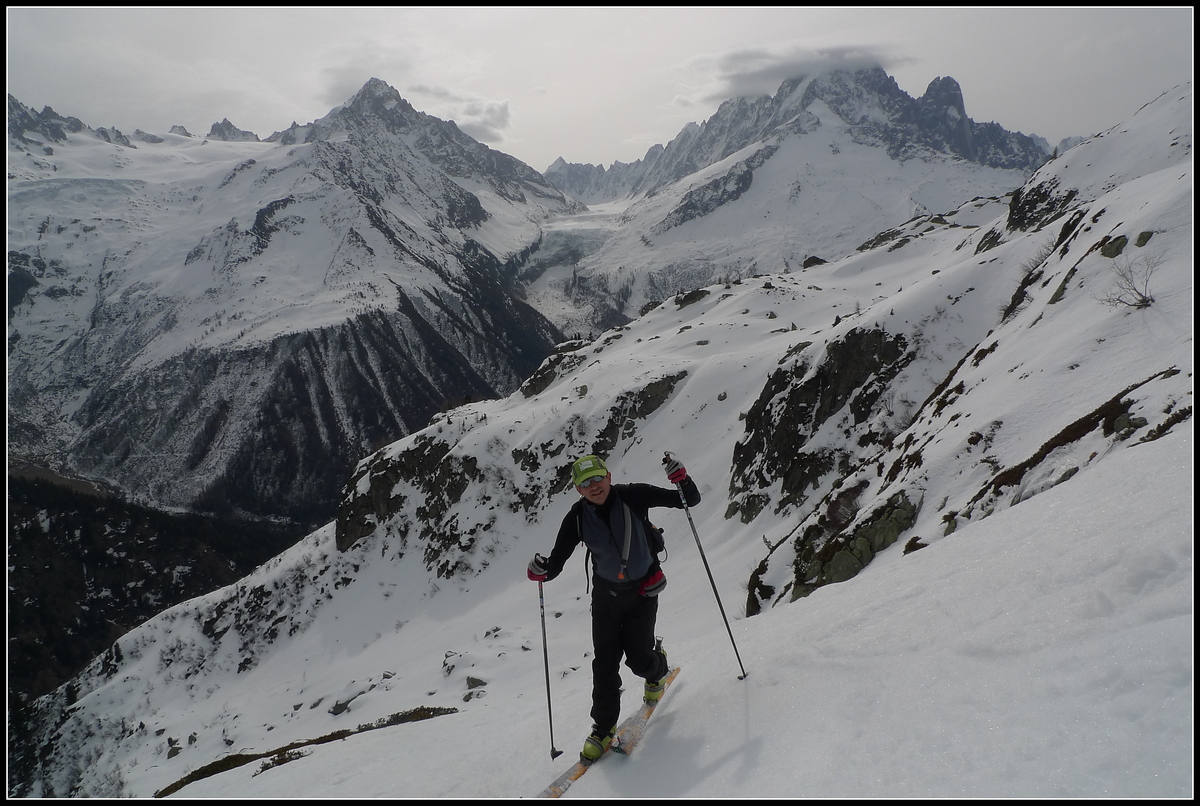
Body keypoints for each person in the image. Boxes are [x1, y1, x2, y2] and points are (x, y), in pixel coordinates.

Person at [527, 452, 701, 762]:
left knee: (639, 661)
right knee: (604, 663)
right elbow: (557, 561)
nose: (593, 486)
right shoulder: (577, 518)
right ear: (578, 490)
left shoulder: (634, 495)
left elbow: (688, 499)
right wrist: (542, 571)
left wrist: (682, 479)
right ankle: (603, 728)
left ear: (608, 476)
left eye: (597, 478)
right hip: (606, 599)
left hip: (642, 594)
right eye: (585, 483)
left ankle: (657, 668)